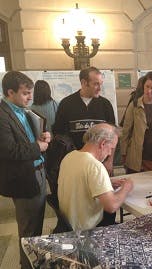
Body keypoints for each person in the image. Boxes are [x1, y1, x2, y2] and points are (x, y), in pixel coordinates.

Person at [0, 71, 51, 269]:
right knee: (29, 229)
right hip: (23, 178)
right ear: (10, 92)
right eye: (26, 93)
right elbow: (8, 150)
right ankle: (28, 265)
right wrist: (38, 146)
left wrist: (44, 137)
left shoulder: (23, 110)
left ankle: (34, 261)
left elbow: (31, 138)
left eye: (31, 93)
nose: (30, 97)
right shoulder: (2, 115)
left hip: (38, 171)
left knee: (36, 225)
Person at [58, 123, 133, 231]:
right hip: (86, 231)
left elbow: (80, 185)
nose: (109, 153)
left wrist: (106, 185)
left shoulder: (69, 157)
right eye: (111, 148)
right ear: (103, 143)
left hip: (68, 226)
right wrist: (127, 187)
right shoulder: (95, 166)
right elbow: (111, 206)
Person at [53, 66, 115, 150]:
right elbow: (59, 134)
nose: (100, 88)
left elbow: (113, 136)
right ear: (84, 82)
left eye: (100, 84)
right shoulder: (66, 104)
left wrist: (109, 161)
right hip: (74, 158)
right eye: (96, 84)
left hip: (100, 160)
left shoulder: (105, 104)